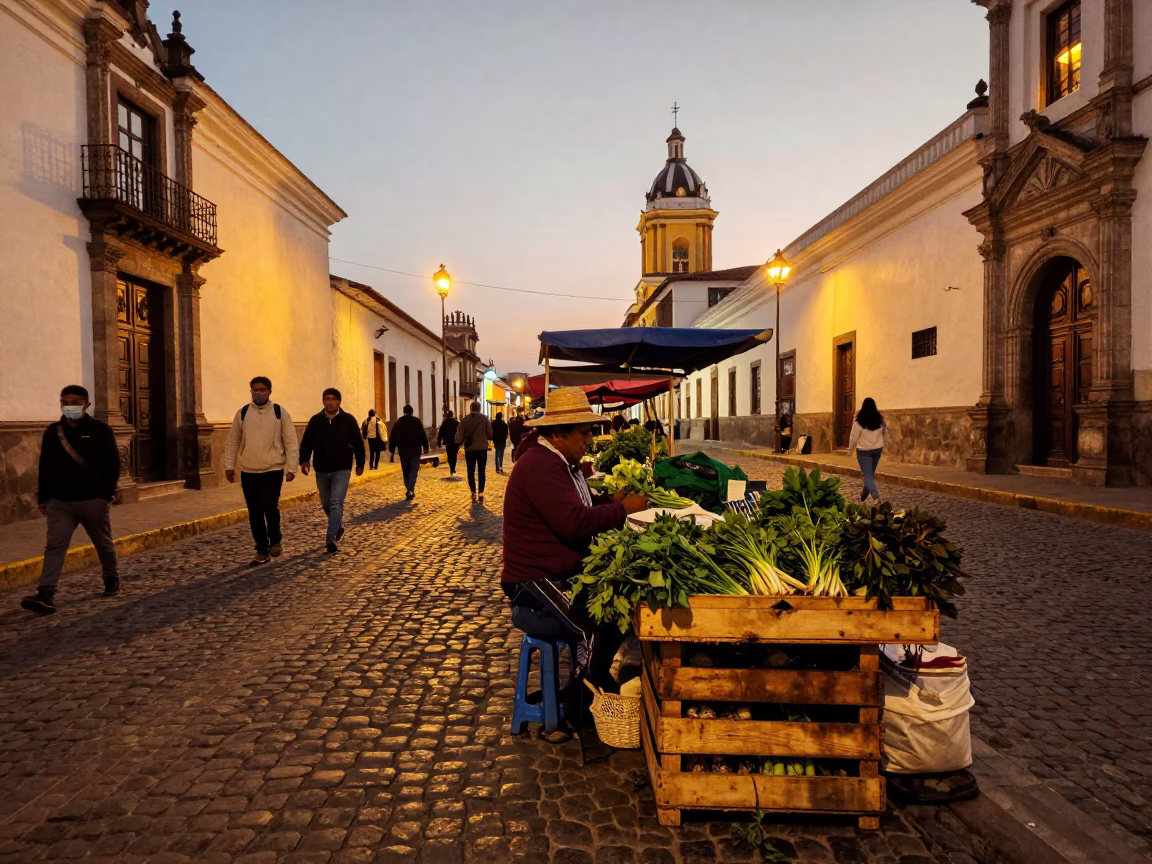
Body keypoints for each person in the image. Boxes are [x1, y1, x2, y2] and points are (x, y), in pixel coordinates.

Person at [502, 387, 649, 727]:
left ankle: (586, 690)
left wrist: (612, 501)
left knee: (617, 611)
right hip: (534, 584)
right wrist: (622, 510)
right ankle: (581, 704)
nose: (590, 440)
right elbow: (574, 524)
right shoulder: (540, 466)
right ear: (559, 433)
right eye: (584, 433)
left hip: (558, 572)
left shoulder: (563, 464)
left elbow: (581, 507)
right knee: (598, 623)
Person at [21, 385, 121, 615]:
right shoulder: (53, 432)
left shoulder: (100, 430)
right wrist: (44, 498)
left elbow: (112, 465)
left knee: (102, 542)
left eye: (75, 402)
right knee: (55, 546)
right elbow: (45, 466)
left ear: (86, 405)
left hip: (92, 501)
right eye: (65, 401)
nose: (70, 406)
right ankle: (46, 592)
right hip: (60, 502)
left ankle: (111, 577)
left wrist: (104, 495)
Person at [224, 376, 298, 566]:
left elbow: (290, 441)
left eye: (263, 389)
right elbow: (233, 440)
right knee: (254, 511)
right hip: (249, 469)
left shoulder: (279, 413)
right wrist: (229, 466)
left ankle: (275, 538)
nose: (259, 393)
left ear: (269, 391)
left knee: (269, 505)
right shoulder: (243, 413)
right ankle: (261, 549)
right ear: (251, 391)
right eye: (255, 389)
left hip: (273, 468)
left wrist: (291, 467)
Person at [300, 388, 365, 554]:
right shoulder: (315, 421)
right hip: (321, 468)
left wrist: (360, 464)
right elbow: (307, 442)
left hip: (342, 468)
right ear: (323, 401)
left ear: (339, 402)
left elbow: (358, 443)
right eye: (327, 398)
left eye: (333, 399)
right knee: (326, 503)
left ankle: (330, 538)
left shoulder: (348, 420)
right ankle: (338, 525)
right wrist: (305, 461)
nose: (330, 402)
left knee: (336, 502)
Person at [849, 397, 889, 503]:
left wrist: (850, 449)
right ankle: (863, 497)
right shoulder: (880, 421)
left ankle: (876, 498)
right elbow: (885, 432)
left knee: (867, 475)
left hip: (864, 451)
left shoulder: (859, 422)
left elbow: (853, 437)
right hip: (877, 450)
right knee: (869, 475)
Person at [389, 404, 428, 501]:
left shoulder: (399, 422)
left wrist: (392, 450)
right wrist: (426, 447)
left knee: (406, 471)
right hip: (415, 451)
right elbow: (422, 435)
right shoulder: (417, 421)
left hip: (403, 451)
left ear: (404, 411)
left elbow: (393, 436)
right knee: (413, 471)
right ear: (412, 411)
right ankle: (410, 489)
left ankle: (409, 489)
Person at [456, 401, 493, 503]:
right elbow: (490, 434)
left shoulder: (464, 420)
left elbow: (459, 435)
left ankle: (473, 491)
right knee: (481, 470)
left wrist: (457, 444)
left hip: (470, 449)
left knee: (470, 470)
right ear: (480, 408)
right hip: (482, 449)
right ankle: (481, 492)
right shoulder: (485, 419)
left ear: (470, 408)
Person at [438, 409, 460, 476]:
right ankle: (453, 467)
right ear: (452, 415)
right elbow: (460, 432)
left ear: (447, 415)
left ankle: (451, 467)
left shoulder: (445, 423)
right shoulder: (457, 422)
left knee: (449, 455)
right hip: (455, 441)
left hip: (448, 442)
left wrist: (439, 440)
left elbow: (441, 432)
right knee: (454, 455)